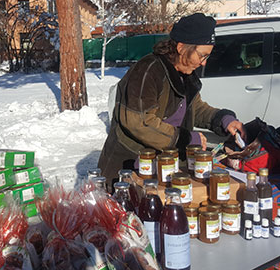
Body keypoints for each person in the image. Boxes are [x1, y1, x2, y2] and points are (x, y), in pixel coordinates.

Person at [98, 13, 246, 185]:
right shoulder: (148, 71)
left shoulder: (185, 74)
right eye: (202, 55)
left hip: (164, 167)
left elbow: (194, 108)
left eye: (207, 56)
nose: (204, 63)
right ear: (182, 47)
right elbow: (140, 121)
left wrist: (222, 119)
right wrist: (185, 139)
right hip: (130, 167)